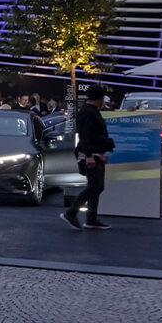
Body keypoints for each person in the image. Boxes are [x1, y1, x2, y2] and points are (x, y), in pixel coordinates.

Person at [63, 85, 114, 231]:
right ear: (100, 98)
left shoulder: (89, 111)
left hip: (94, 153)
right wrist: (90, 156)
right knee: (95, 186)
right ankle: (72, 212)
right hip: (90, 154)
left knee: (96, 186)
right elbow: (85, 136)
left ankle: (90, 218)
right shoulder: (88, 113)